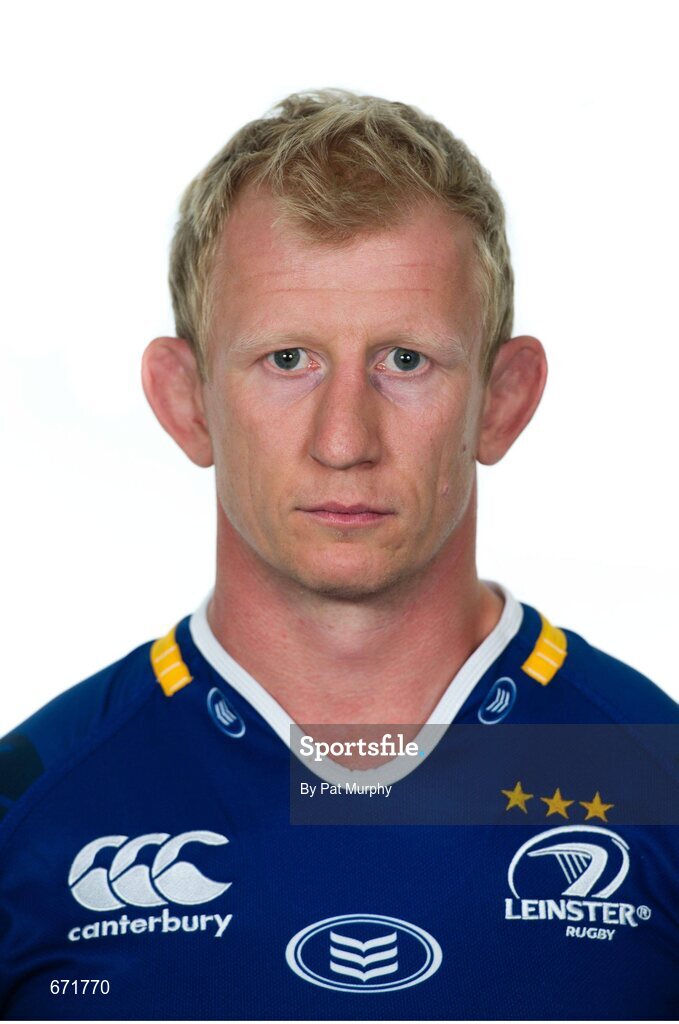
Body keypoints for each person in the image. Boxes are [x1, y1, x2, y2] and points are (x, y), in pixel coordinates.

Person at [1, 89, 677, 1021]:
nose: (344, 440)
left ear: (502, 399)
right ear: (187, 402)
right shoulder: (31, 809)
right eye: (288, 360)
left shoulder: (654, 778)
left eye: (405, 360)